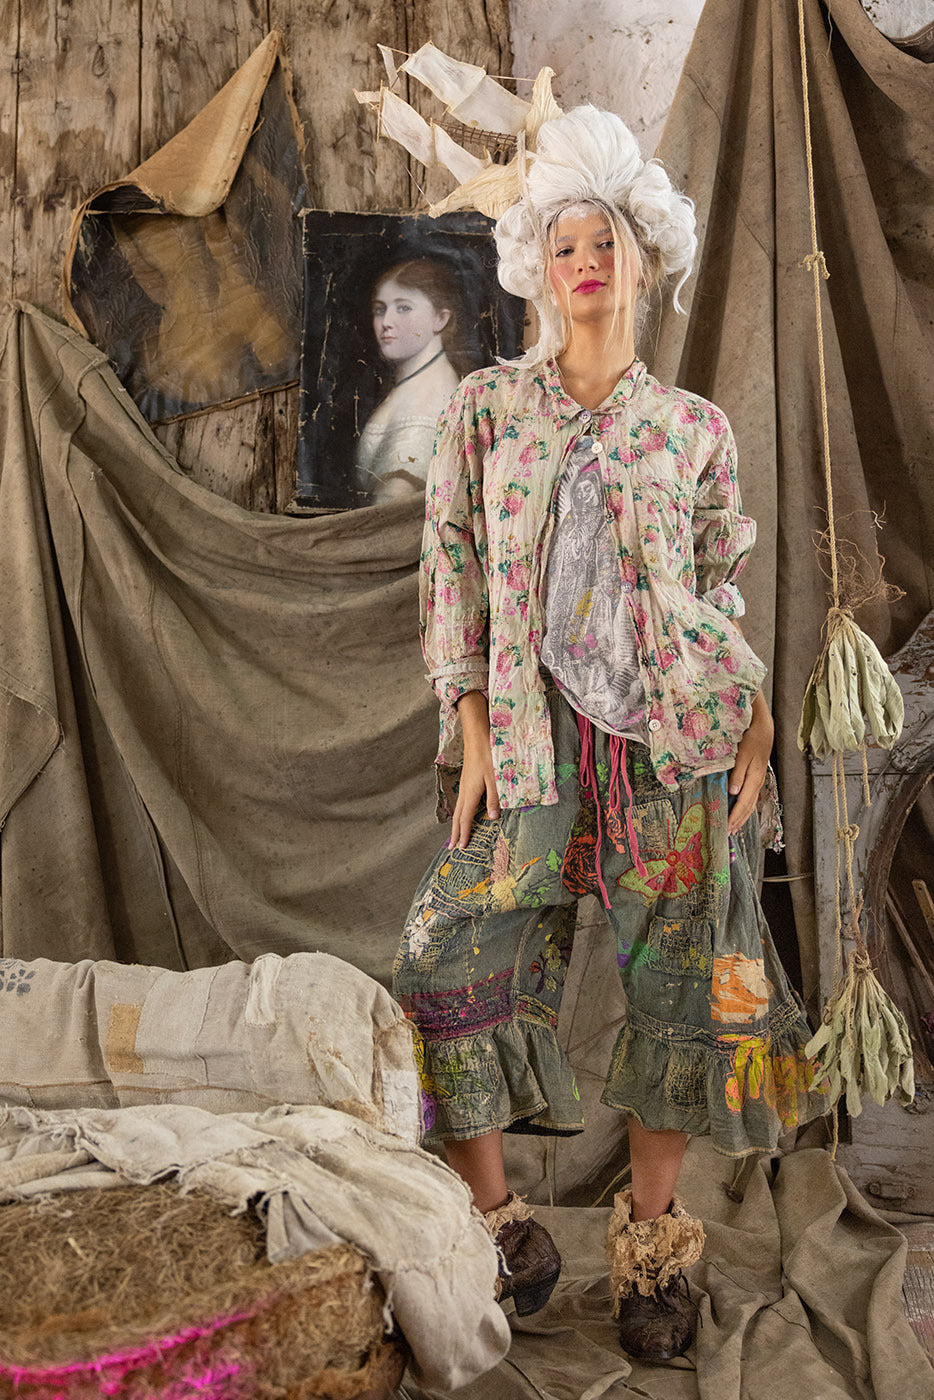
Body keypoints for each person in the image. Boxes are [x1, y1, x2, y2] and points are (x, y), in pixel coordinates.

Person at [392, 105, 828, 1363]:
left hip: (668, 748)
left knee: (676, 986)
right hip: (527, 747)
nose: (585, 260)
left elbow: (714, 591)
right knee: (442, 957)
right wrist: (472, 725)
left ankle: (653, 1253)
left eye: (606, 241)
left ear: (643, 261)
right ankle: (500, 1224)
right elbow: (450, 566)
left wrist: (749, 706)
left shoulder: (691, 430)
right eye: (564, 243)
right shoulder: (486, 411)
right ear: (539, 268)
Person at [355, 259, 462, 504]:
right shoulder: (413, 381)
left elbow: (394, 502)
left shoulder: (432, 399)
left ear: (440, 318)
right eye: (380, 309)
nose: (386, 322)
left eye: (403, 308)